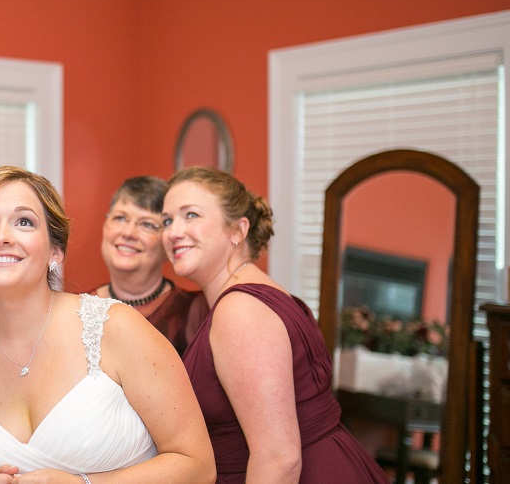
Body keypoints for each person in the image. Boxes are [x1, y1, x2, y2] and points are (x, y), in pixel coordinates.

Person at [0, 166, 215, 484]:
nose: (1, 236)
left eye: (23, 222)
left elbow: (197, 465)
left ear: (56, 252)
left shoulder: (116, 328)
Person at [161, 166, 389, 483]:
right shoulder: (249, 296)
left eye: (191, 215)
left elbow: (279, 459)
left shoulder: (240, 310)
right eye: (167, 220)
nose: (172, 232)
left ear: (237, 231)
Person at [91, 176, 208, 356]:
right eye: (120, 218)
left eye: (147, 224)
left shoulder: (196, 311)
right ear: (105, 226)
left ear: (167, 242)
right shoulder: (77, 308)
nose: (128, 232)